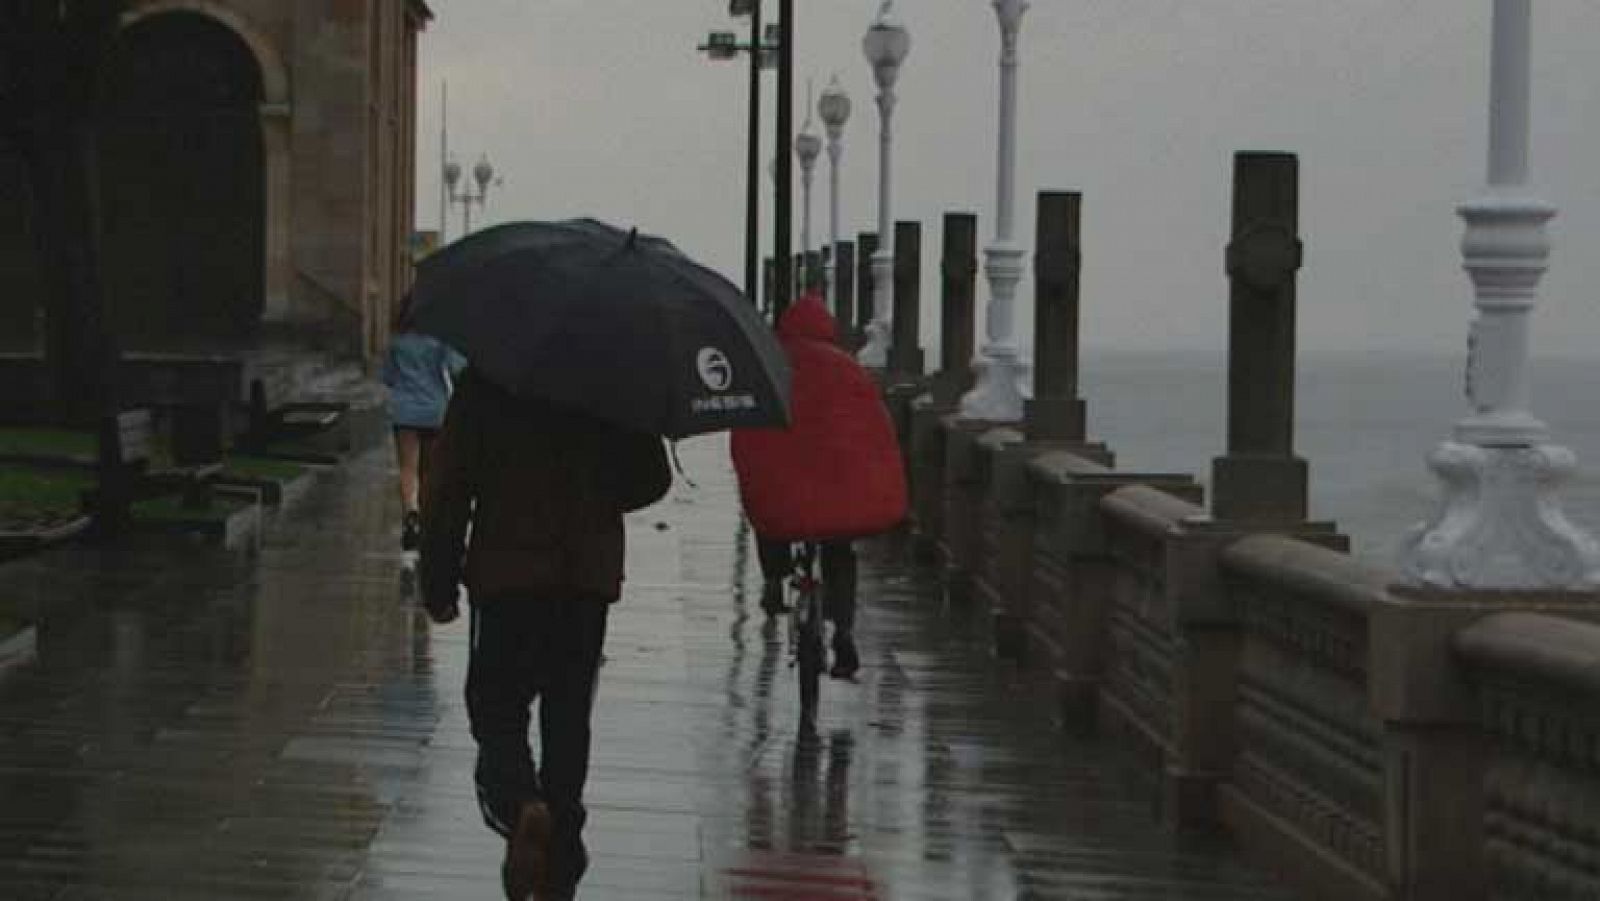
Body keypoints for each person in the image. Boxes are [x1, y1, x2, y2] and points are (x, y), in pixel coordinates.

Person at [419, 367, 670, 901]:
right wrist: (594, 490)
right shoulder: (612, 383)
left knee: (496, 705)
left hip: (508, 571)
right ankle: (562, 853)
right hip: (586, 576)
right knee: (568, 714)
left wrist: (439, 580)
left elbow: (447, 486)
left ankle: (520, 806)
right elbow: (651, 479)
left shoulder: (487, 380)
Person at [734, 293, 907, 682]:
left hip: (789, 489)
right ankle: (842, 628)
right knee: (839, 547)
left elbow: (748, 428)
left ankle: (775, 582)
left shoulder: (771, 365)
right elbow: (875, 431)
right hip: (835, 487)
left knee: (772, 518)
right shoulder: (849, 369)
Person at [381, 302, 466, 564]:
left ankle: (411, 515)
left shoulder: (397, 341)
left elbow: (387, 377)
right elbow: (456, 368)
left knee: (407, 467)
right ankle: (428, 521)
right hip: (434, 410)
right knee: (429, 470)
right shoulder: (438, 338)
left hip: (405, 410)